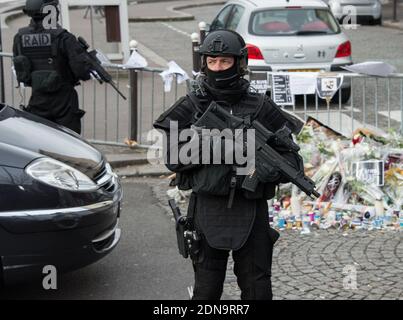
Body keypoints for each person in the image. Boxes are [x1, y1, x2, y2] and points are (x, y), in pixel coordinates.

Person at [154, 29, 304, 300]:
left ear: (239, 63)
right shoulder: (193, 105)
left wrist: (268, 169)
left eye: (225, 61)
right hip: (207, 208)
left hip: (250, 209)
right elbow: (174, 158)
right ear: (205, 64)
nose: (218, 68)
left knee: (258, 287)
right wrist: (229, 147)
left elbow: (292, 158)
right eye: (212, 62)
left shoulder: (260, 106)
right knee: (207, 290)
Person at [12, 0, 92, 134]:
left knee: (42, 141)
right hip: (64, 102)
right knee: (70, 143)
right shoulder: (63, 37)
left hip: (37, 100)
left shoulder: (20, 37)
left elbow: (20, 67)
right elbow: (82, 71)